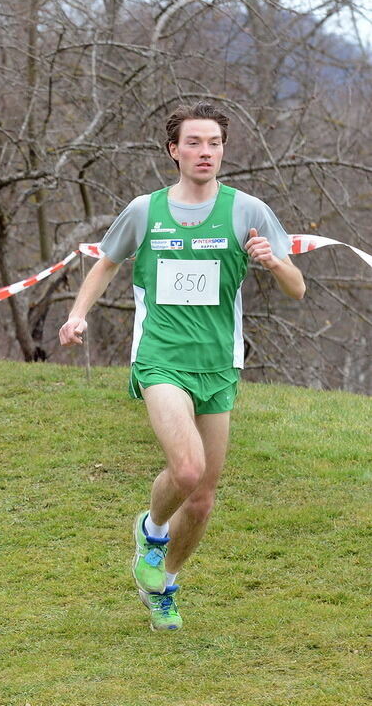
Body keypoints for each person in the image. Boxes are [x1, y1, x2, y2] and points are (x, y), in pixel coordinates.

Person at [59, 101, 305, 631]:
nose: (205, 152)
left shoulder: (248, 211)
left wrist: (274, 261)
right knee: (187, 470)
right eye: (194, 142)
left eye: (214, 143)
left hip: (218, 365)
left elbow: (297, 287)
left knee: (203, 500)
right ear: (174, 151)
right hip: (161, 358)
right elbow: (106, 262)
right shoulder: (146, 210)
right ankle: (150, 531)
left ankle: (165, 583)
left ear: (223, 150)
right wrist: (78, 315)